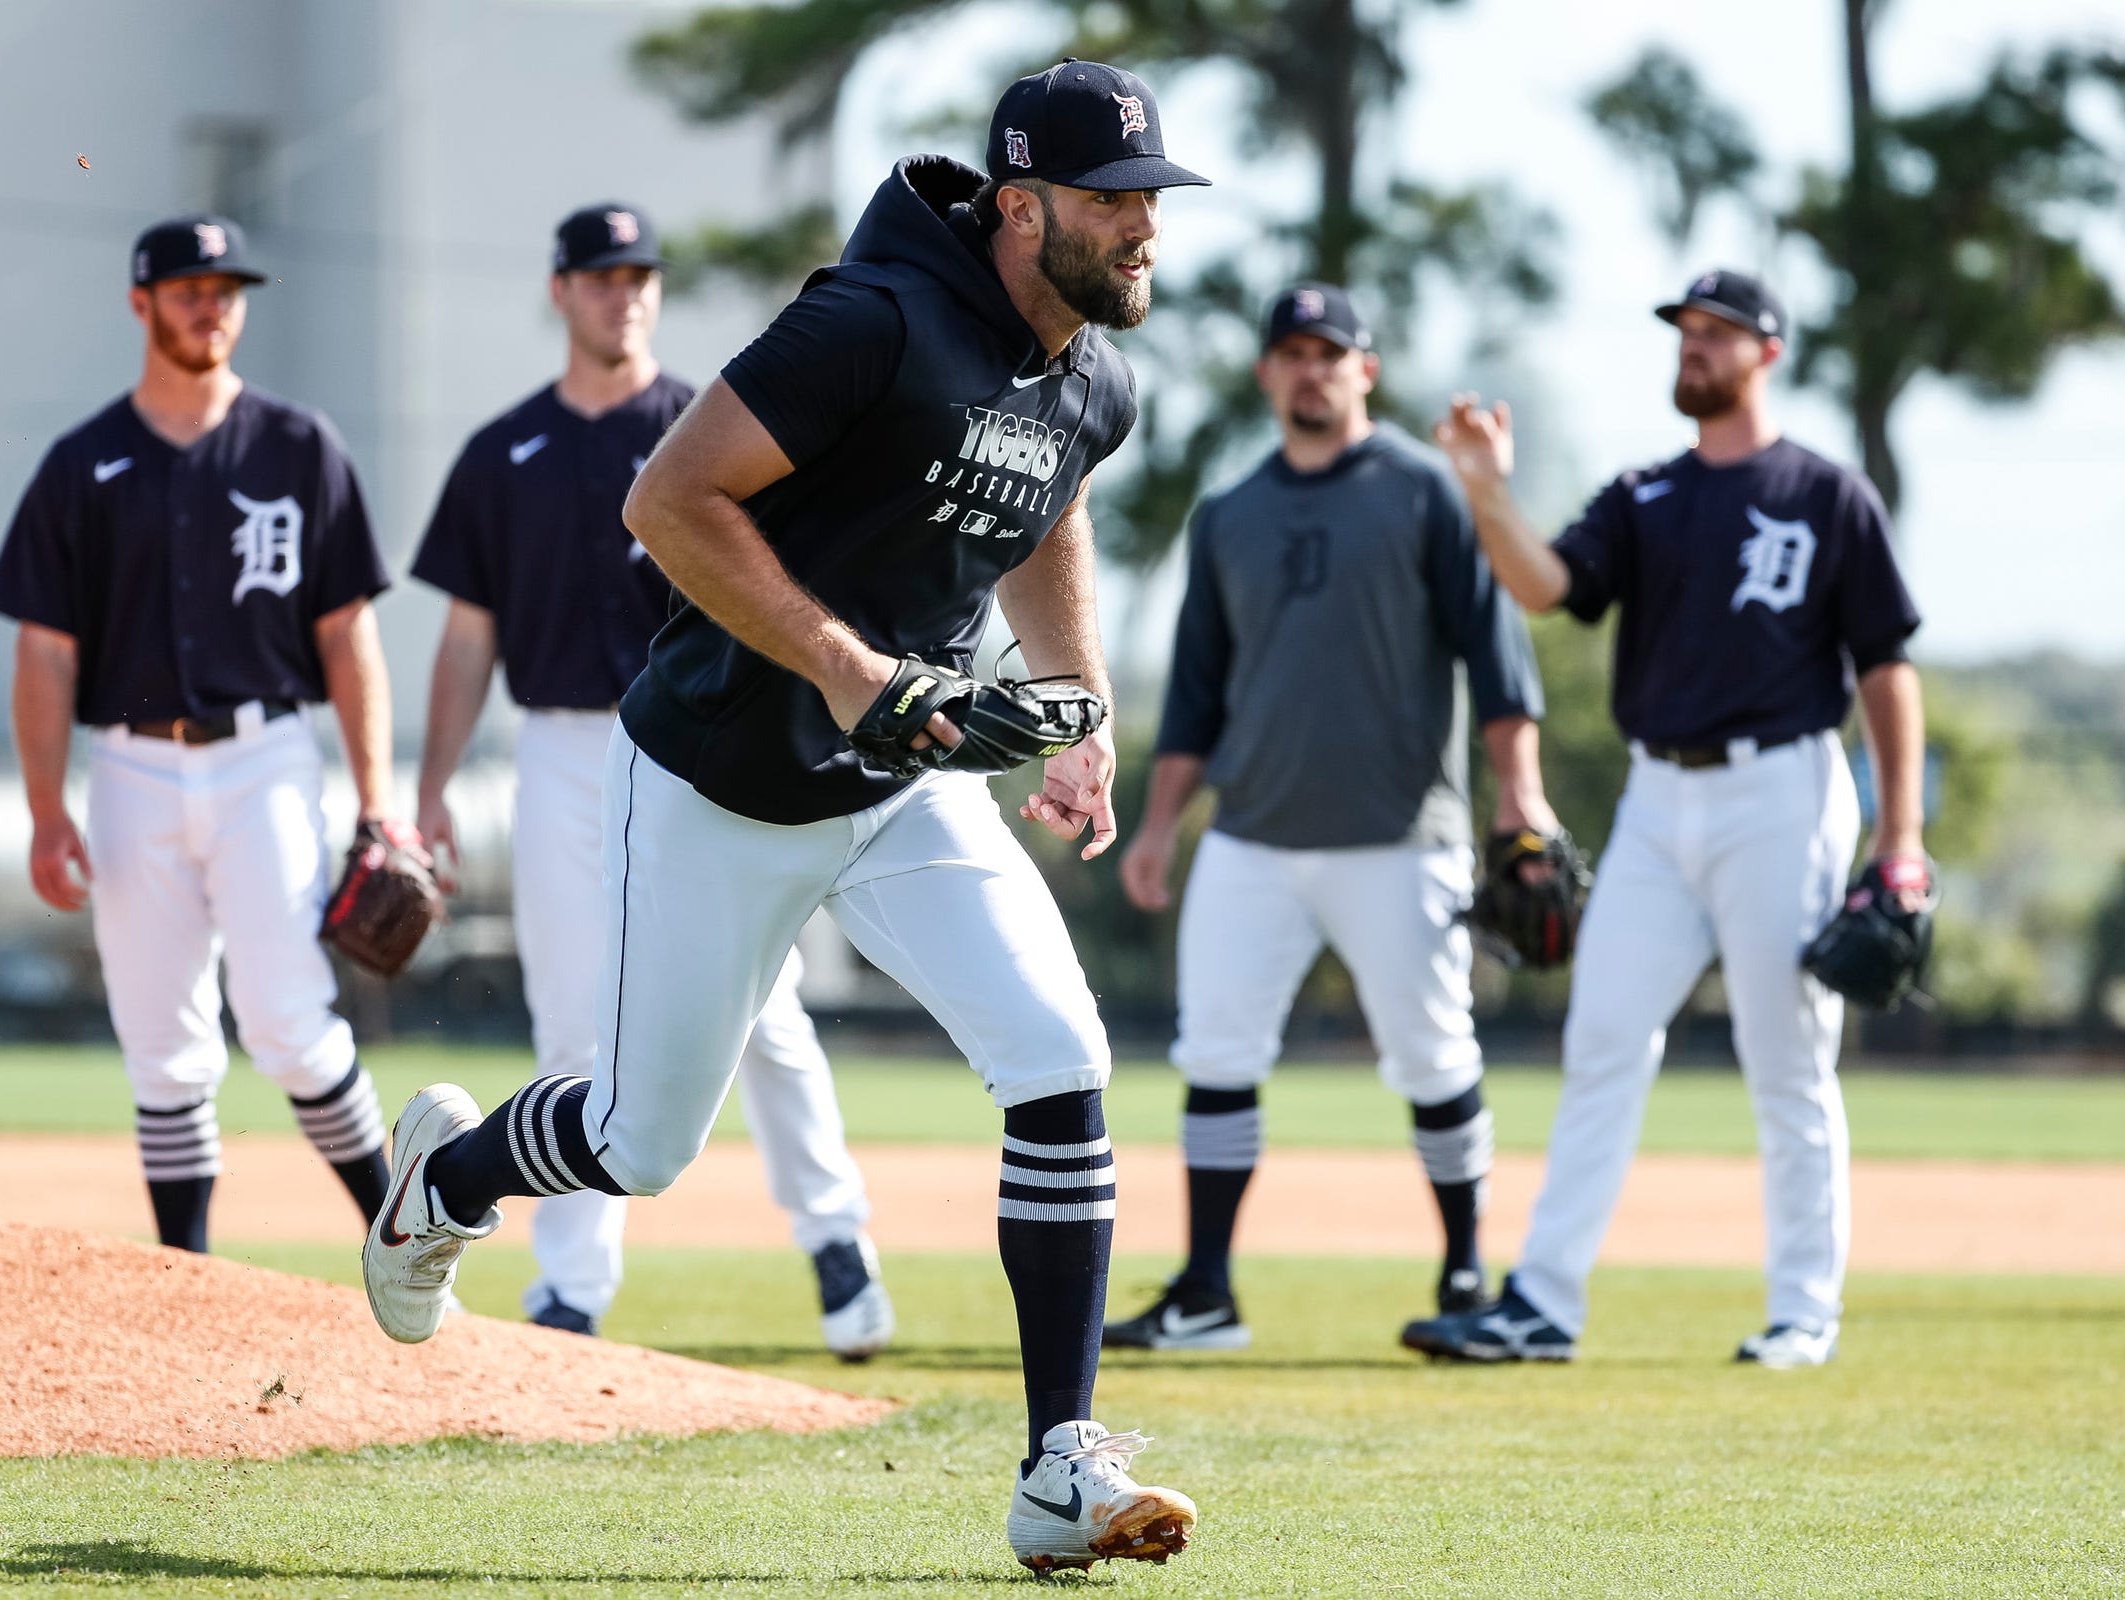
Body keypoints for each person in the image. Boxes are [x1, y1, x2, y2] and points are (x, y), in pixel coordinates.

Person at [364, 61, 1209, 1573]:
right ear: (1020, 208)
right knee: (639, 1145)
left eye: (1151, 199)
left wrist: (1077, 709)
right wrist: (847, 666)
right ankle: (447, 1179)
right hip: (724, 774)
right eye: (1112, 199)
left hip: (904, 780)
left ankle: (1058, 1469)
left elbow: (1052, 495)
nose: (1143, 226)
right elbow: (670, 499)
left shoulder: (1093, 375)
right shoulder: (871, 322)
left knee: (1061, 1057)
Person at [1406, 269, 1926, 1368]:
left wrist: (1902, 840)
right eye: (1685, 331)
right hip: (1658, 793)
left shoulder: (1827, 495)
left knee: (1785, 1053)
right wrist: (1488, 494)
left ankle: (1803, 1311)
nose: (1693, 347)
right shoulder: (1646, 494)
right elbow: (1546, 587)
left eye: (1716, 333)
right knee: (1601, 1039)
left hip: (1782, 786)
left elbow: (1886, 668)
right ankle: (1542, 1303)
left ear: (1767, 351)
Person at [409, 200, 894, 1358]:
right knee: (572, 1014)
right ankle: (575, 1280)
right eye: (598, 275)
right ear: (560, 291)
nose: (621, 292)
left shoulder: (704, 425)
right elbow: (467, 638)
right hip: (562, 751)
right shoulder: (503, 451)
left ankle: (836, 1241)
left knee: (766, 1012)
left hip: (697, 744)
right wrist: (427, 790)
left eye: (639, 275)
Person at [1104, 283, 1555, 1353]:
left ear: (1367, 369)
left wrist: (1520, 797)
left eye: (1331, 352)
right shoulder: (1229, 514)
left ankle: (1461, 1271)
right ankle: (1206, 1290)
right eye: (1292, 353)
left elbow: (1499, 661)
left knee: (1434, 1055)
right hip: (1253, 833)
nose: (1311, 369)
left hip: (1401, 835)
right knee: (1215, 1048)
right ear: (1267, 373)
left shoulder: (1427, 491)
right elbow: (1197, 696)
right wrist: (1161, 825)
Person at [0, 215, 400, 1253]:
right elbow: (43, 653)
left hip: (266, 756)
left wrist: (379, 805)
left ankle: (405, 1237)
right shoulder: (84, 464)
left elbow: (350, 637)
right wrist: (45, 813)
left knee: (289, 1024)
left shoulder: (300, 445)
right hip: (130, 766)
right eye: (187, 289)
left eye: (226, 288)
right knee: (163, 1047)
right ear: (141, 303)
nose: (211, 304)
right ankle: (189, 1283)